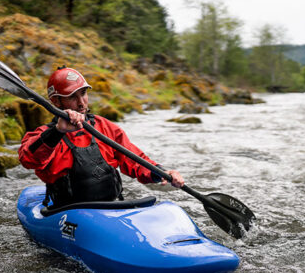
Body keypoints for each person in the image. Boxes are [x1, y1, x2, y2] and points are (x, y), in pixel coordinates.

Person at [19, 66, 184, 208]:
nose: (81, 102)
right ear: (56, 101)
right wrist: (58, 131)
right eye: (72, 97)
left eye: (83, 93)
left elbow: (134, 159)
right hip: (69, 212)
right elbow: (28, 159)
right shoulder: (45, 135)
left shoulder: (103, 127)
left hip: (112, 206)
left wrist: (161, 172)